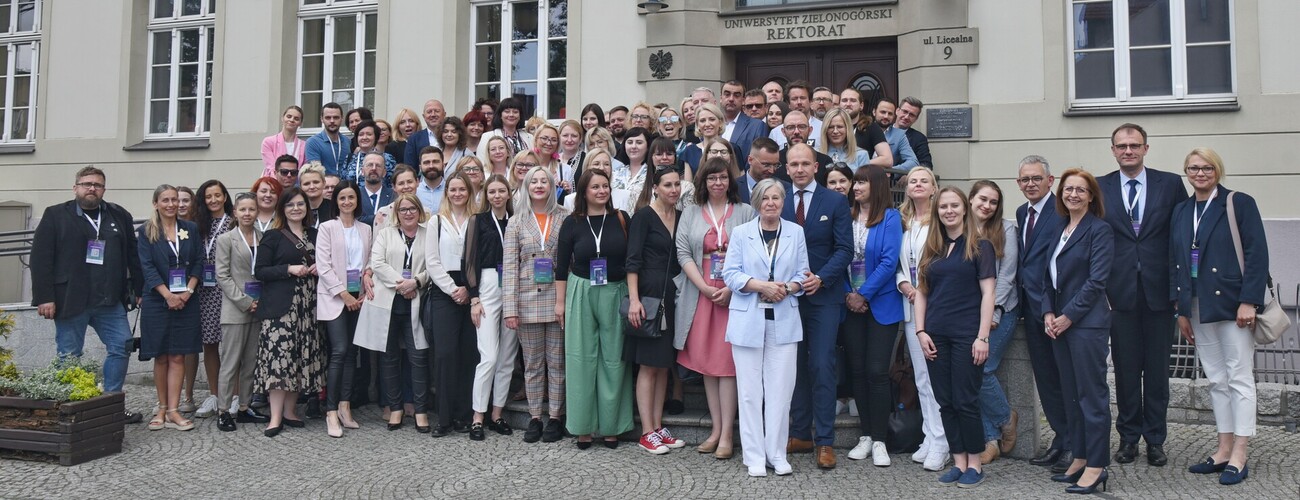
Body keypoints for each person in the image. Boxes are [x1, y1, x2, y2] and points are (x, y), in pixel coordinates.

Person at [1171, 148, 1266, 486]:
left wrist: (1249, 301)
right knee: (1215, 378)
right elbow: (1176, 261)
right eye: (1193, 168)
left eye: (1207, 167)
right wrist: (1181, 309)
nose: (1200, 173)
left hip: (1232, 303)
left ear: (1217, 169)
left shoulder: (1238, 202)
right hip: (1196, 306)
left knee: (1239, 377)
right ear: (1186, 172)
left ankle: (1240, 451)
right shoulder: (1182, 210)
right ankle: (1223, 448)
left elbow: (1256, 253)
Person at [1098, 123, 1188, 466]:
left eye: (1134, 145)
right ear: (1113, 150)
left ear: (1146, 149)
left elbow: (1179, 238)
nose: (1128, 151)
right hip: (1118, 295)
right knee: (1124, 370)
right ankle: (1128, 438)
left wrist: (1180, 289)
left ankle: (1155, 440)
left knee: (1157, 372)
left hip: (1159, 294)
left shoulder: (1170, 184)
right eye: (1121, 146)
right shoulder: (1101, 186)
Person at [30, 166, 144, 423]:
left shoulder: (119, 215)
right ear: (75, 188)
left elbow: (133, 254)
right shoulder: (55, 215)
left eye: (98, 185)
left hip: (109, 300)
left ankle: (111, 404)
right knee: (69, 354)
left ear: (104, 189)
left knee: (122, 346)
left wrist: (139, 289)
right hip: (70, 299)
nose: (92, 188)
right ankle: (66, 407)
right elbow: (40, 259)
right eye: (87, 184)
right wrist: (44, 297)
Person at [724, 177, 809, 477]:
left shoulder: (796, 232)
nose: (771, 203)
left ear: (783, 203)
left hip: (783, 319)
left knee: (781, 391)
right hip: (748, 319)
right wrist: (760, 285)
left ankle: (776, 453)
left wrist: (787, 287)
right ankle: (754, 455)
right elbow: (730, 273)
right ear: (757, 202)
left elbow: (803, 272)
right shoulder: (741, 233)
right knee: (749, 393)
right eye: (766, 198)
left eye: (777, 198)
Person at [912, 186, 997, 488]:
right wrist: (920, 331)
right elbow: (922, 293)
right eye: (943, 207)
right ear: (937, 212)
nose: (949, 211)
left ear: (964, 209)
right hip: (936, 334)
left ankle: (975, 462)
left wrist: (983, 337)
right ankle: (958, 461)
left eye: (954, 206)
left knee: (965, 400)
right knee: (945, 401)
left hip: (966, 335)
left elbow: (989, 294)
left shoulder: (980, 246)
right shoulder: (932, 248)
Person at [675, 157, 758, 459]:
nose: (718, 183)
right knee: (708, 366)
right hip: (702, 294)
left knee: (727, 367)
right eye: (712, 178)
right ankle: (715, 428)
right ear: (703, 182)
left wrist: (731, 289)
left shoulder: (747, 212)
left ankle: (726, 435)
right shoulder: (691, 213)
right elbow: (683, 252)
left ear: (730, 180)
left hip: (735, 294)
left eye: (723, 177)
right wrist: (705, 287)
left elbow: (754, 254)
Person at [1042, 168, 1115, 494]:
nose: (1073, 194)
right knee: (1072, 396)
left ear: (1091, 196)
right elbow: (1047, 278)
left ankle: (1097, 465)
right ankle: (1081, 456)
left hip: (1086, 325)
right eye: (1068, 189)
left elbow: (1096, 282)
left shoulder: (1099, 231)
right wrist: (1047, 312)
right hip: (1058, 324)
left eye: (1080, 190)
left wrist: (1067, 316)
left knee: (1092, 397)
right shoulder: (1060, 228)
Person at [781, 143, 853, 470]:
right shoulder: (776, 198)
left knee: (822, 365)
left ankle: (825, 440)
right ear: (786, 167)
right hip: (787, 298)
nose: (799, 169)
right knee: (792, 367)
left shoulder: (835, 201)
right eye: (793, 164)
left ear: (816, 167)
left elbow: (844, 249)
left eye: (804, 163)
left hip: (823, 297)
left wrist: (821, 278)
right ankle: (799, 433)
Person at [555, 169, 634, 449]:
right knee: (580, 359)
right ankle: (583, 427)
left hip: (615, 290)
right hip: (581, 289)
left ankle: (612, 426)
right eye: (595, 187)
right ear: (583, 192)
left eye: (605, 186)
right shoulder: (572, 223)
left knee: (614, 359)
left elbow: (633, 259)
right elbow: (561, 264)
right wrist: (560, 302)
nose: (601, 191)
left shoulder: (622, 218)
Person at [840, 165, 904, 466]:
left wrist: (863, 295)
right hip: (850, 303)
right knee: (858, 370)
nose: (856, 187)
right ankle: (865, 434)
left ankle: (880, 439)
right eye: (855, 182)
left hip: (881, 304)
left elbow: (890, 261)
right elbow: (838, 257)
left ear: (877, 186)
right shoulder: (846, 216)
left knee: (878, 371)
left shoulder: (891, 218)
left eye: (862, 182)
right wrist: (847, 294)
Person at [1014, 155, 1074, 472]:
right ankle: (1060, 440)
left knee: (1066, 380)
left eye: (1036, 178)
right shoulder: (1022, 212)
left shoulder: (1063, 210)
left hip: (1057, 310)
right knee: (1048, 381)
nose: (1031, 184)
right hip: (1030, 309)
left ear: (1050, 181)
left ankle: (1075, 446)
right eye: (1025, 179)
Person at [355, 193, 431, 433]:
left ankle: (420, 410)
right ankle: (395, 408)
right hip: (389, 301)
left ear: (419, 211)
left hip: (415, 301)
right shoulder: (386, 234)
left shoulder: (428, 234)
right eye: (403, 209)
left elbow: (434, 265)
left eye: (412, 209)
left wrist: (416, 282)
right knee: (389, 359)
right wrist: (402, 284)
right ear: (396, 214)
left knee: (418, 358)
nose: (408, 213)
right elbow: (377, 263)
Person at [503, 166, 569, 443]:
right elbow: (509, 267)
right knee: (532, 364)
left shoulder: (565, 217)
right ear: (526, 187)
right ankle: (534, 417)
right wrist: (510, 309)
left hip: (557, 299)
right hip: (526, 300)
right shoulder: (516, 221)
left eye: (545, 181)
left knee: (557, 362)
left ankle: (555, 416)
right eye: (534, 181)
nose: (540, 185)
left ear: (553, 186)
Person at [253, 187, 324, 437]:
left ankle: (290, 411)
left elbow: (330, 261)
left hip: (309, 307)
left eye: (300, 204)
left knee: (298, 359)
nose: (296, 209)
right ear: (283, 209)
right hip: (280, 310)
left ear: (307, 208)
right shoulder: (272, 236)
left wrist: (319, 267)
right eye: (291, 205)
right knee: (278, 362)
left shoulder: (316, 234)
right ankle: (274, 417)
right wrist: (288, 269)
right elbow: (260, 271)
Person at [625, 165, 685, 454]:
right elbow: (632, 260)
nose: (673, 190)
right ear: (656, 188)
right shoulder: (643, 217)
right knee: (648, 366)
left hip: (673, 298)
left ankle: (659, 427)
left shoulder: (682, 216)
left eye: (677, 184)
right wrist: (634, 300)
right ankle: (647, 431)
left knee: (663, 365)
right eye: (668, 185)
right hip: (648, 299)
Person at [136, 184, 204, 432]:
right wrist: (167, 295)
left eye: (175, 200)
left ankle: (174, 410)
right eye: (165, 200)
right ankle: (162, 407)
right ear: (156, 203)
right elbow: (147, 267)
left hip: (187, 299)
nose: (171, 204)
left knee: (178, 354)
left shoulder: (190, 229)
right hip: (157, 299)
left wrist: (187, 291)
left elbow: (199, 261)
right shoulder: (146, 231)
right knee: (162, 355)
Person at [894, 166, 949, 471]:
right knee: (920, 378)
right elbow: (901, 264)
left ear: (933, 188)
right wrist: (904, 283)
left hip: (935, 306)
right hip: (910, 304)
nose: (917, 184)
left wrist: (924, 288)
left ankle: (942, 442)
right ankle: (930, 436)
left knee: (934, 376)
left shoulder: (941, 221)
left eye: (924, 180)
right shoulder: (904, 222)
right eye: (913, 180)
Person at [967, 180, 1021, 464]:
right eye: (983, 199)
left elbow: (1007, 275)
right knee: (971, 372)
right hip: (968, 313)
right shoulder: (959, 229)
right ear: (971, 199)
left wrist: (993, 314)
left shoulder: (1006, 229)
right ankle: (990, 441)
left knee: (983, 368)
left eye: (993, 202)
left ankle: (1004, 418)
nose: (987, 206)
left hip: (1002, 309)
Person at [425, 173, 481, 436]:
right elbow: (432, 261)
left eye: (462, 189)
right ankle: (444, 417)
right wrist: (453, 290)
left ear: (469, 192)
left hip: (471, 289)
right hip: (444, 290)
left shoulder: (476, 220)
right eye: (453, 189)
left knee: (469, 353)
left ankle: (464, 414)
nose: (457, 194)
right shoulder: (436, 221)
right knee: (445, 354)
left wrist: (470, 291)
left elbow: (479, 258)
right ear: (447, 193)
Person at [315, 180, 372, 437]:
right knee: (338, 351)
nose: (347, 202)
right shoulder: (327, 228)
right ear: (335, 202)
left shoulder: (365, 229)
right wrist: (343, 294)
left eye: (351, 197)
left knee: (352, 354)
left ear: (357, 201)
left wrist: (360, 290)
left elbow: (369, 261)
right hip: (334, 297)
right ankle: (330, 411)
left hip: (358, 298)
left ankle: (345, 406)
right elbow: (323, 266)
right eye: (342, 198)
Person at [464, 174, 517, 441]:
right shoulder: (479, 220)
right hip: (486, 285)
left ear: (509, 194)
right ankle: (478, 416)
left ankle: (497, 414)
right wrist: (474, 298)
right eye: (492, 192)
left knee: (507, 356)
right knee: (489, 356)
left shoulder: (516, 221)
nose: (497, 196)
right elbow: (470, 260)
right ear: (486, 195)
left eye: (501, 191)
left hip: (512, 286)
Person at [213, 193, 272, 431]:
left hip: (258, 309)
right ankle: (224, 410)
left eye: (251, 209)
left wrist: (260, 302)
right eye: (243, 210)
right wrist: (245, 301)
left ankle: (245, 406)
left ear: (257, 212)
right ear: (235, 213)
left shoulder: (262, 237)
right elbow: (222, 276)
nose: (247, 214)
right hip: (236, 309)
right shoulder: (226, 239)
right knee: (230, 363)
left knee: (251, 362)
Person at [190, 180, 235, 419]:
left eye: (218, 195)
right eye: (209, 196)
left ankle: (234, 395)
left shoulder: (234, 223)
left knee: (232, 344)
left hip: (228, 289)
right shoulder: (197, 226)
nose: (214, 200)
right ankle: (215, 394)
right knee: (210, 343)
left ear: (225, 197)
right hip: (205, 291)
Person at [720, 81, 767, 170]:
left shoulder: (756, 126)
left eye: (736, 95)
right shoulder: (712, 124)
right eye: (727, 94)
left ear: (743, 100)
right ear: (721, 98)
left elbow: (758, 158)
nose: (731, 99)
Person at [341, 120, 397, 187]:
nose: (364, 138)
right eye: (361, 134)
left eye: (369, 134)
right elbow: (343, 182)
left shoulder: (387, 158)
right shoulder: (350, 158)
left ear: (376, 137)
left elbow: (393, 185)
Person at [612, 127, 652, 213]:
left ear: (648, 146)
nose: (633, 146)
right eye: (630, 142)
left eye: (639, 142)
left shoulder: (653, 173)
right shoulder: (615, 173)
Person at [304, 102, 351, 176]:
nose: (332, 121)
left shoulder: (347, 141)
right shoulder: (313, 142)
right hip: (325, 186)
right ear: (321, 119)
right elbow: (316, 172)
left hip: (344, 186)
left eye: (336, 117)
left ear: (342, 118)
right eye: (328, 117)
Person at [873, 98, 919, 170]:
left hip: (885, 179)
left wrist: (891, 171)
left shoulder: (899, 135)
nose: (886, 116)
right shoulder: (862, 130)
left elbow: (913, 162)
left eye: (890, 114)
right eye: (883, 112)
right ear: (874, 112)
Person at [737, 138, 788, 203]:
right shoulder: (732, 188)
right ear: (750, 160)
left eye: (776, 165)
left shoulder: (785, 189)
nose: (771, 170)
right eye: (766, 165)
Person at [261, 105, 306, 177]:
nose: (291, 120)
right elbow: (271, 168)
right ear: (282, 118)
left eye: (296, 118)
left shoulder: (304, 145)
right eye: (289, 116)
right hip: (273, 183)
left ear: (300, 123)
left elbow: (303, 171)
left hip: (295, 185)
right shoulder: (268, 142)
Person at [404, 99, 447, 167]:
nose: (433, 114)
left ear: (444, 114)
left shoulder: (452, 136)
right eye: (429, 112)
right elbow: (409, 167)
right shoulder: (414, 139)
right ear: (424, 116)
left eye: (437, 111)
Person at [358, 153, 396, 226]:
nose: (374, 168)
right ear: (362, 171)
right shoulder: (355, 195)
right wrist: (377, 218)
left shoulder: (393, 195)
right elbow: (355, 219)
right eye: (370, 165)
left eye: (378, 165)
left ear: (384, 172)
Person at [895, 97, 933, 168]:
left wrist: (907, 177)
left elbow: (926, 164)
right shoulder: (882, 131)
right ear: (897, 111)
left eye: (912, 115)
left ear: (916, 119)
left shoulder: (919, 139)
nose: (906, 117)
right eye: (905, 111)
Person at [557, 120, 586, 198]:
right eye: (565, 135)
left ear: (580, 139)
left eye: (574, 136)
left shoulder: (587, 159)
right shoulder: (553, 159)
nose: (569, 140)